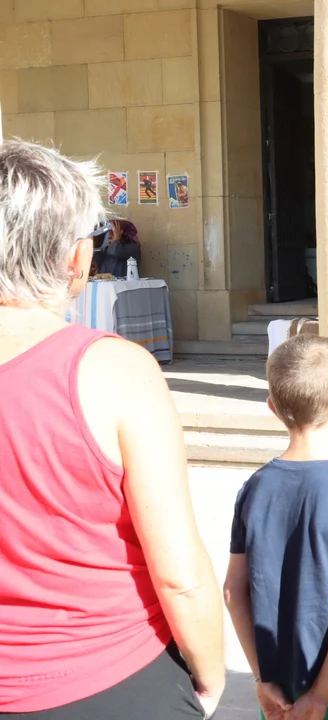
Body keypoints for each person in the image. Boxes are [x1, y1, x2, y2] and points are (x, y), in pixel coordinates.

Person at [0, 142, 225, 717]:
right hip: (108, 674)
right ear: (77, 256)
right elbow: (179, 572)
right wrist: (209, 672)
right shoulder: (115, 371)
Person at [224, 334, 328, 720]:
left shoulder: (254, 488)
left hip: (277, 692)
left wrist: (262, 677)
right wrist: (322, 694)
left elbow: (233, 591)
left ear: (273, 408)